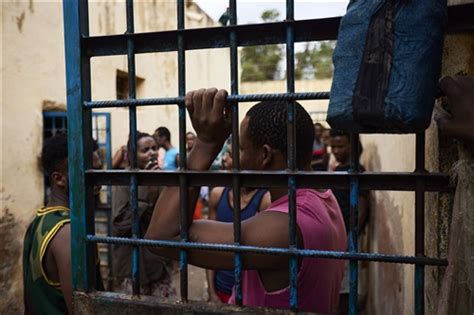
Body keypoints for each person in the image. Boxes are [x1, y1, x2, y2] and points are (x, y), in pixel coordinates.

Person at [145, 88, 347, 313]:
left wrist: (206, 143)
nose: (233, 156)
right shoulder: (324, 197)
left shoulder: (287, 225)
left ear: (265, 155)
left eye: (240, 148)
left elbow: (162, 237)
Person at [23, 134, 104, 314]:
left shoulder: (40, 220)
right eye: (90, 174)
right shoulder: (68, 233)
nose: (99, 183)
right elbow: (82, 310)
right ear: (59, 178)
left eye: (99, 171)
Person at [206, 138, 271, 303]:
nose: (224, 159)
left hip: (251, 293)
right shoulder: (217, 195)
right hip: (221, 288)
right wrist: (212, 291)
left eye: (230, 154)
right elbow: (210, 247)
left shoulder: (264, 199)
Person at [112, 132, 176, 298]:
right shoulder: (124, 180)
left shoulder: (161, 178)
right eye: (145, 150)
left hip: (157, 263)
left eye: (154, 148)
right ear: (133, 155)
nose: (152, 152)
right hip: (131, 264)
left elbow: (169, 222)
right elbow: (120, 225)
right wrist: (146, 196)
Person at [329, 129, 370, 314]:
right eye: (333, 146)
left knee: (346, 286)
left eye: (340, 146)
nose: (336, 150)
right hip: (339, 235)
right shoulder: (340, 169)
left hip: (347, 236)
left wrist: (351, 235)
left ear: (352, 146)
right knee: (339, 283)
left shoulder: (356, 170)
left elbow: (362, 205)